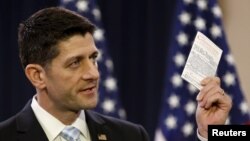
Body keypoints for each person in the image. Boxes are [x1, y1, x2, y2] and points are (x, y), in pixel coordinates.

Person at [0, 7, 231, 141]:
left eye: (93, 59)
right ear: (37, 76)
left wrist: (210, 133)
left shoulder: (130, 136)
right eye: (75, 63)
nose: (92, 73)